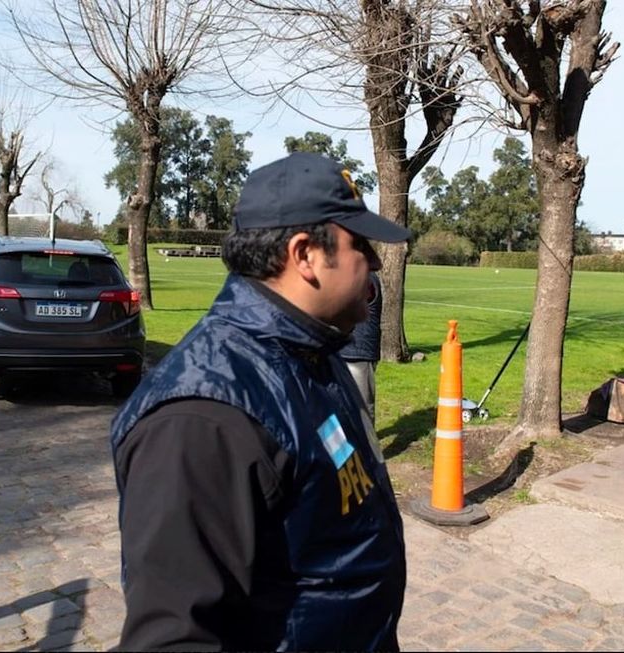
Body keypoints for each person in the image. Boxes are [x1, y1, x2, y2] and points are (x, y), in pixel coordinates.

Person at [110, 152, 409, 651]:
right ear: (305, 255)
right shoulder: (203, 420)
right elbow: (174, 638)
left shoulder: (315, 353)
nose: (375, 261)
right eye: (360, 244)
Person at [341, 270, 382, 424]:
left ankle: (367, 447)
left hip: (359, 352)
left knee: (362, 407)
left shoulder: (366, 278)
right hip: (341, 351)